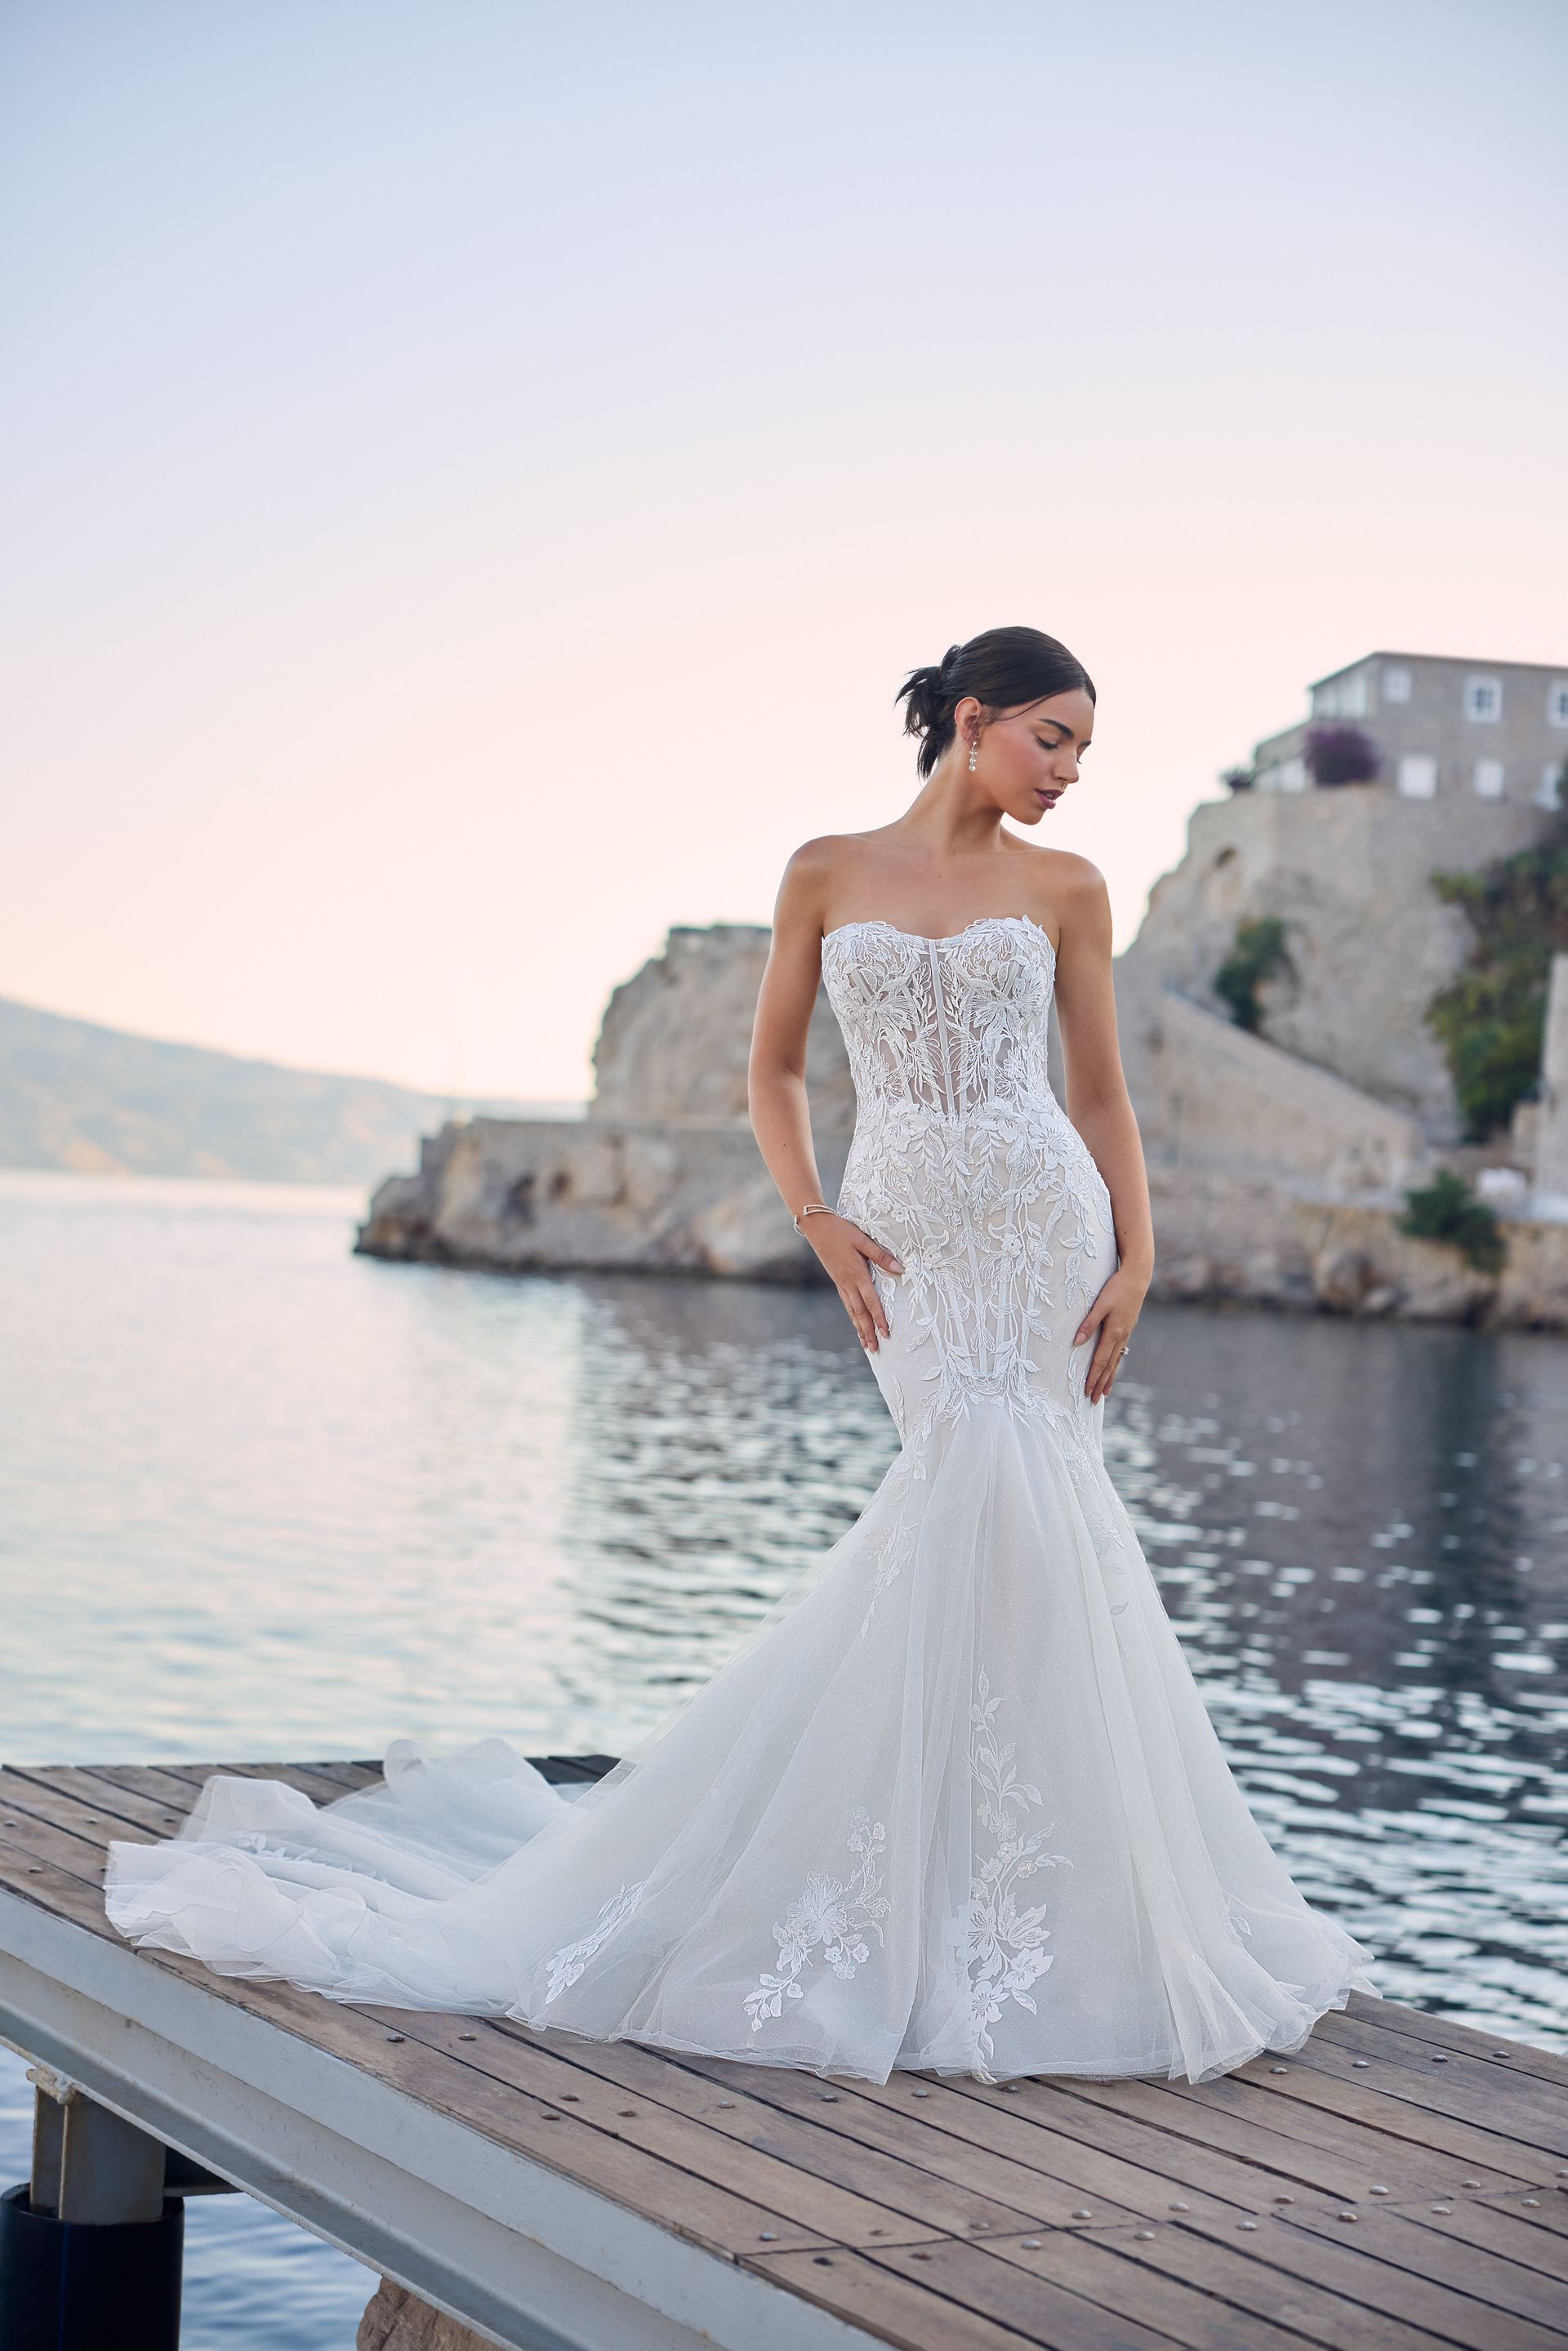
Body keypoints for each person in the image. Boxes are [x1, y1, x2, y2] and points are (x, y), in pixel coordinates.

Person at [105, 626, 1376, 2084]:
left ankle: (1034, 1910)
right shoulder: (826, 870)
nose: (1071, 773)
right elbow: (772, 1069)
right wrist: (816, 1215)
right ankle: (888, 1885)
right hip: (901, 1238)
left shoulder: (1069, 889)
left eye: (1086, 749)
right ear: (974, 722)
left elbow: (1097, 1089)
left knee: (1036, 1528)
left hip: (1041, 1230)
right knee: (970, 1502)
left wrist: (1139, 1256)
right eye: (1053, 740)